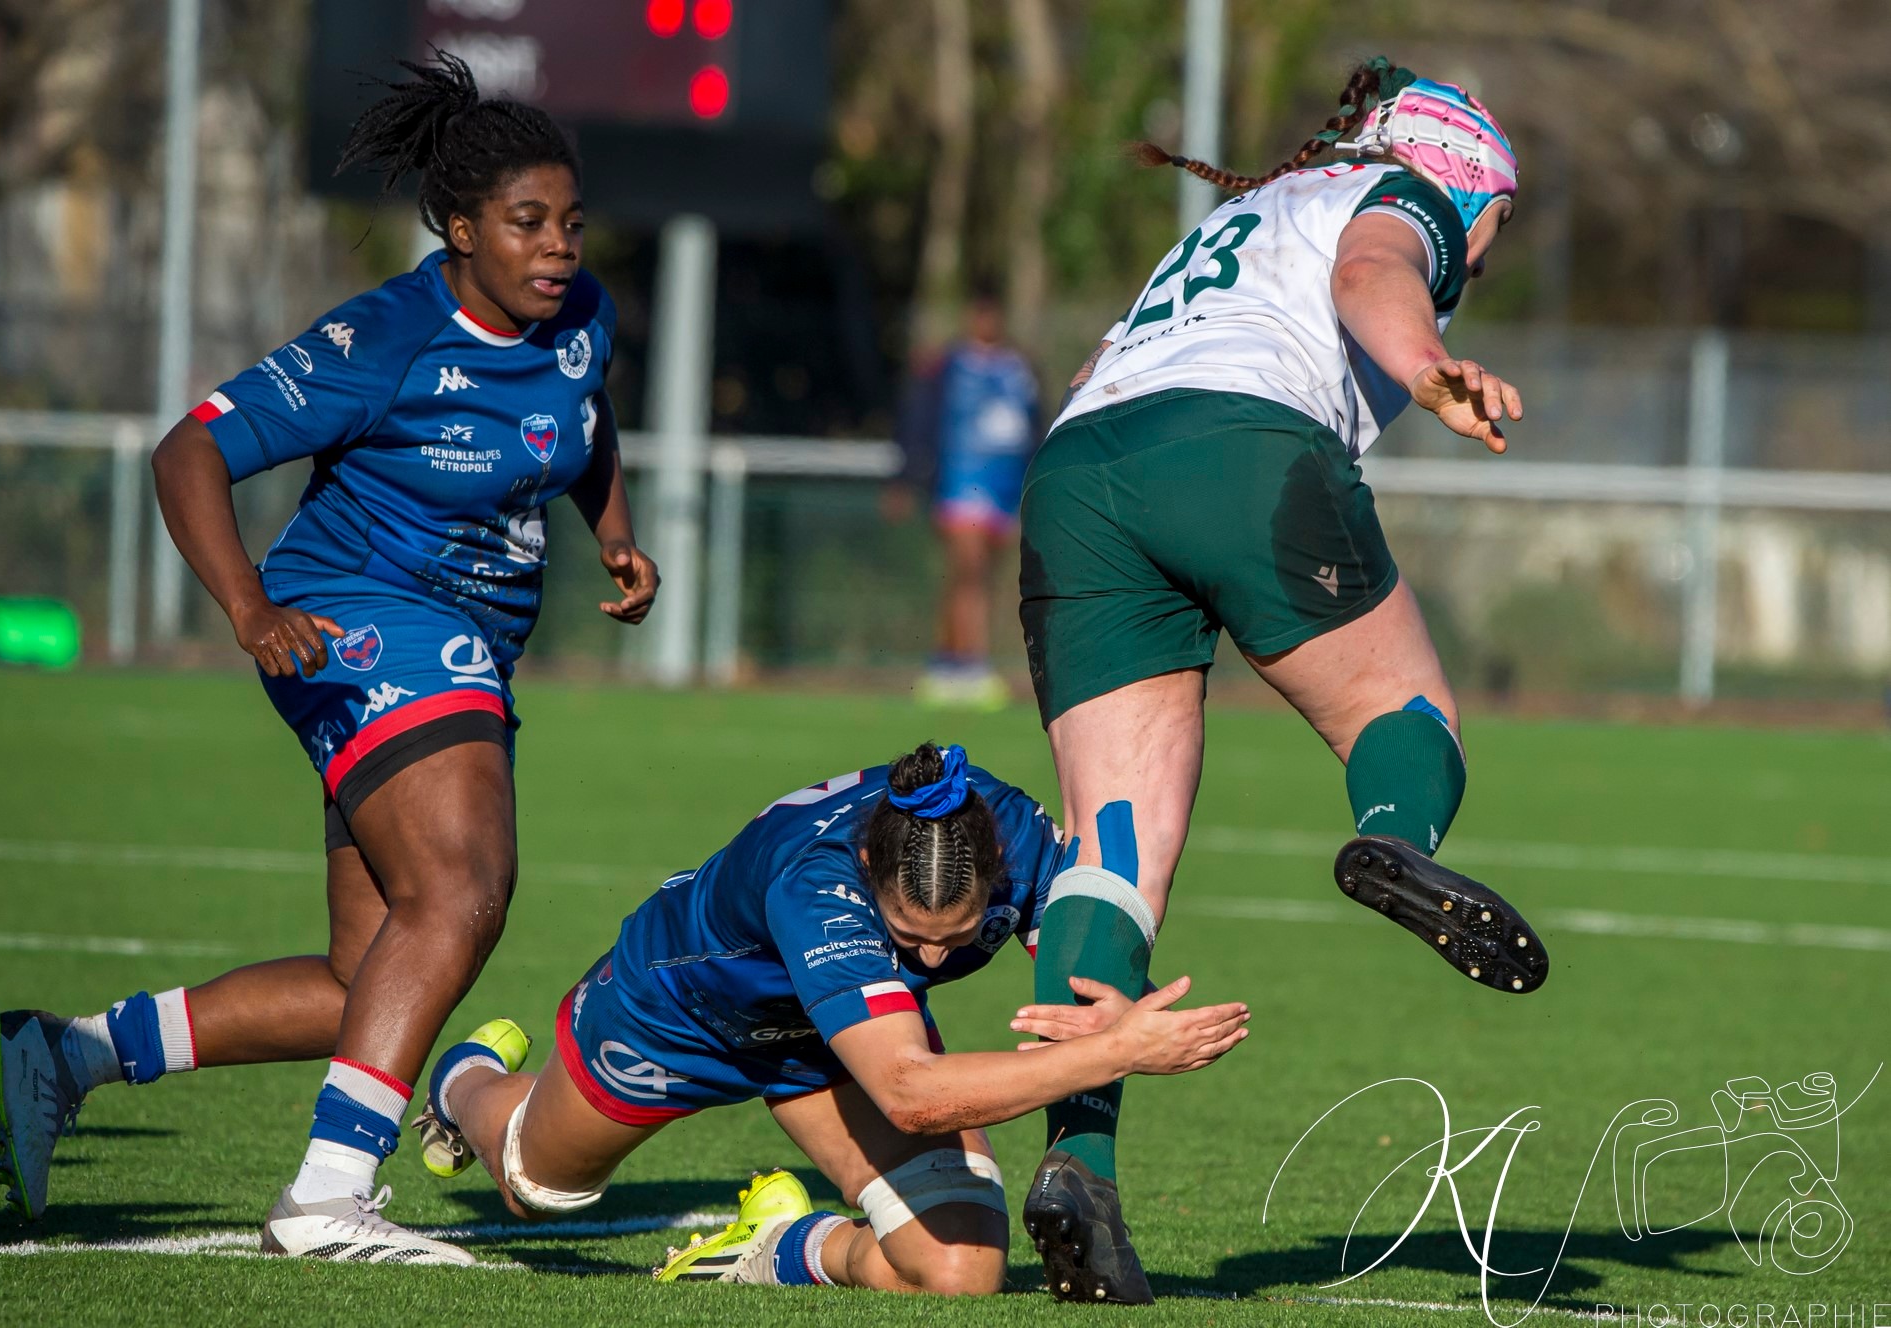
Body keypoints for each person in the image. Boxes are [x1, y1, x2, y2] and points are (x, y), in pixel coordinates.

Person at [0, 51, 658, 1265]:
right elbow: (187, 451)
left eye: (570, 222)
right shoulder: (383, 334)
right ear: (458, 228)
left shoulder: (579, 317)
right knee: (460, 889)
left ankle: (69, 1050)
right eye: (526, 223)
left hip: (461, 648)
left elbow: (584, 426)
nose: (558, 246)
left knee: (372, 975)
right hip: (355, 615)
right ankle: (328, 1197)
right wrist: (243, 607)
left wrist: (613, 533)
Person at [1012, 59, 1551, 1303]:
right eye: (1500, 215)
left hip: (1079, 473)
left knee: (1109, 853)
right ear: (1460, 173)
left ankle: (1075, 1169)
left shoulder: (1246, 214)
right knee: (1405, 716)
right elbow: (1373, 275)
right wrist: (1425, 366)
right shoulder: (1404, 193)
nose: (1489, 241)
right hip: (1237, 448)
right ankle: (1393, 836)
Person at [407, 743, 1249, 1293]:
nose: (928, 963)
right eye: (909, 938)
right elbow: (913, 1095)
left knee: (957, 1271)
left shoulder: (1003, 834)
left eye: (951, 941)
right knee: (532, 1186)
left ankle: (774, 1246)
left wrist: (1107, 999)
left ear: (995, 873)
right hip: (686, 1009)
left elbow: (1074, 939)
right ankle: (468, 1081)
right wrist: (1118, 1052)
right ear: (870, 866)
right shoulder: (818, 885)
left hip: (840, 1037)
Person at [889, 287, 1043, 709]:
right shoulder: (946, 365)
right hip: (960, 485)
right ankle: (972, 667)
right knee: (969, 572)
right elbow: (917, 420)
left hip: (1004, 489)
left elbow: (1033, 423)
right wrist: (906, 477)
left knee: (977, 578)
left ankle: (946, 662)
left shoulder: (1018, 367)